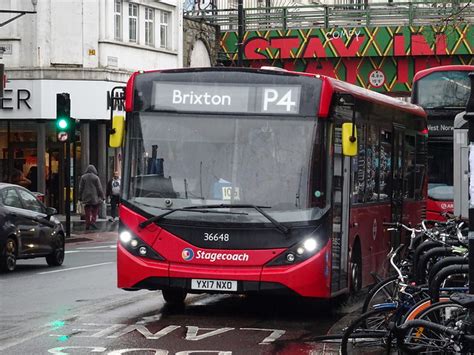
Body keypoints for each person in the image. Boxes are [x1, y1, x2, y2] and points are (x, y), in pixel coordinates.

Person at [78, 164, 105, 230]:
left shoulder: (83, 177)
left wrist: (80, 196)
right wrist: (102, 196)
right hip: (94, 196)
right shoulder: (96, 177)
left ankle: (87, 223)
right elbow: (99, 188)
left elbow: (80, 188)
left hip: (86, 196)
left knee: (87, 210)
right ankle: (93, 221)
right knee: (95, 209)